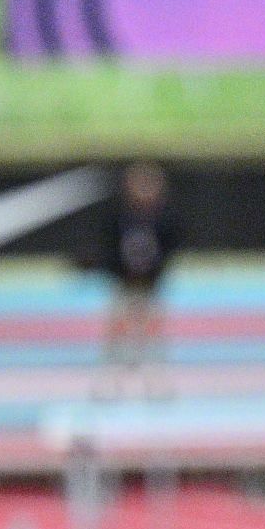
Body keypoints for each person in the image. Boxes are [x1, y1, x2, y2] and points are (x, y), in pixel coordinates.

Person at [93, 160, 180, 396]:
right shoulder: (119, 218)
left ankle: (156, 382)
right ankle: (110, 383)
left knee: (152, 336)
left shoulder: (164, 220)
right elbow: (108, 251)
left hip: (150, 287)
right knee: (117, 335)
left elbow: (168, 253)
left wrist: (152, 277)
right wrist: (121, 275)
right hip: (124, 286)